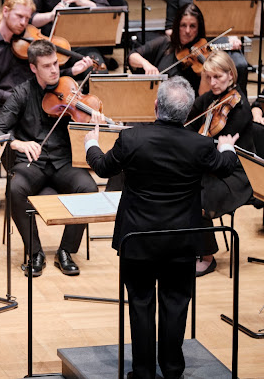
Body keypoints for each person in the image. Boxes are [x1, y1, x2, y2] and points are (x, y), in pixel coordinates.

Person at [85, 76, 238, 379]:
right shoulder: (200, 144)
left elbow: (103, 167)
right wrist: (227, 148)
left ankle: (142, 372)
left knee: (140, 303)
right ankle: (172, 369)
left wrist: (90, 143)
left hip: (137, 239)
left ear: (156, 106)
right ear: (187, 111)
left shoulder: (132, 138)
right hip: (181, 242)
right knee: (176, 303)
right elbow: (225, 167)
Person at [0, 39, 99, 277]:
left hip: (63, 162)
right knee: (15, 189)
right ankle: (34, 251)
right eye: (47, 66)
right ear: (33, 68)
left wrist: (94, 118)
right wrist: (18, 143)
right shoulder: (21, 93)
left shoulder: (69, 88)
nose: (54, 70)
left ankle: (66, 251)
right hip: (32, 164)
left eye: (56, 65)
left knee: (88, 187)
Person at [0, 0, 93, 140]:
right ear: (5, 11)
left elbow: (42, 75)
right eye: (20, 16)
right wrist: (14, 98)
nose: (23, 23)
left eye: (27, 18)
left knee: (63, 134)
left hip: (28, 111)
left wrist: (72, 71)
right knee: (8, 143)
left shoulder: (28, 46)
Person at [185, 50, 254, 276]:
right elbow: (188, 123)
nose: (213, 82)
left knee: (199, 198)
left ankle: (207, 258)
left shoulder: (240, 109)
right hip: (213, 164)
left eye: (218, 77)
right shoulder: (211, 99)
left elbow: (224, 156)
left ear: (231, 75)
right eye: (209, 77)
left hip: (236, 173)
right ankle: (186, 245)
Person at [165, 0, 247, 94]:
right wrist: (185, 38)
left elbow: (231, 21)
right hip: (191, 46)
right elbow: (169, 28)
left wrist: (233, 37)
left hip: (219, 41)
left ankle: (239, 106)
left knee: (240, 64)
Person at [29, 0, 109, 72]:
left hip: (82, 45)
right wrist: (51, 15)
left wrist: (81, 0)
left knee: (100, 74)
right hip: (50, 47)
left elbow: (106, 13)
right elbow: (29, 19)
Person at [129, 3, 206, 94]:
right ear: (177, 26)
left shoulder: (202, 50)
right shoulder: (165, 43)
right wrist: (146, 64)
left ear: (198, 28)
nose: (187, 31)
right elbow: (132, 56)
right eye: (183, 25)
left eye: (192, 26)